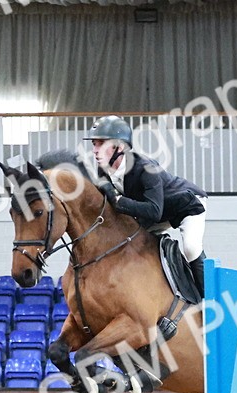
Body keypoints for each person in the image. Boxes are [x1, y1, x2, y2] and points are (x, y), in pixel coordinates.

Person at [83, 115, 209, 292]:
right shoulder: (103, 170)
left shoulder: (146, 168)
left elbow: (154, 211)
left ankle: (208, 297)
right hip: (160, 211)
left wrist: (119, 202)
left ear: (120, 146)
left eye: (101, 144)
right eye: (94, 144)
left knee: (191, 247)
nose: (95, 150)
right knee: (129, 241)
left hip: (187, 205)